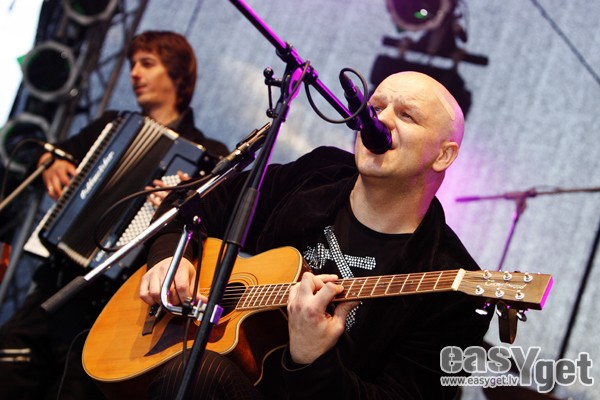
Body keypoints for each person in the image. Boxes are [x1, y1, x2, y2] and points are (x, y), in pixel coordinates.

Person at [139, 71, 493, 399]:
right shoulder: (317, 174)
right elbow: (189, 203)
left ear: (443, 156)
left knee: (198, 374)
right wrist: (170, 257)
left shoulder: (454, 285)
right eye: (375, 108)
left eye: (406, 115)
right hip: (219, 373)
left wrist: (314, 361)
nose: (380, 120)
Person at [0, 30, 229, 400]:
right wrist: (49, 160)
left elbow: (207, 234)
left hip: (114, 310)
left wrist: (177, 205)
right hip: (56, 286)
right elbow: (47, 150)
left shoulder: (209, 155)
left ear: (177, 75)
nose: (134, 73)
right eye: (132, 64)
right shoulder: (110, 124)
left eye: (147, 64)